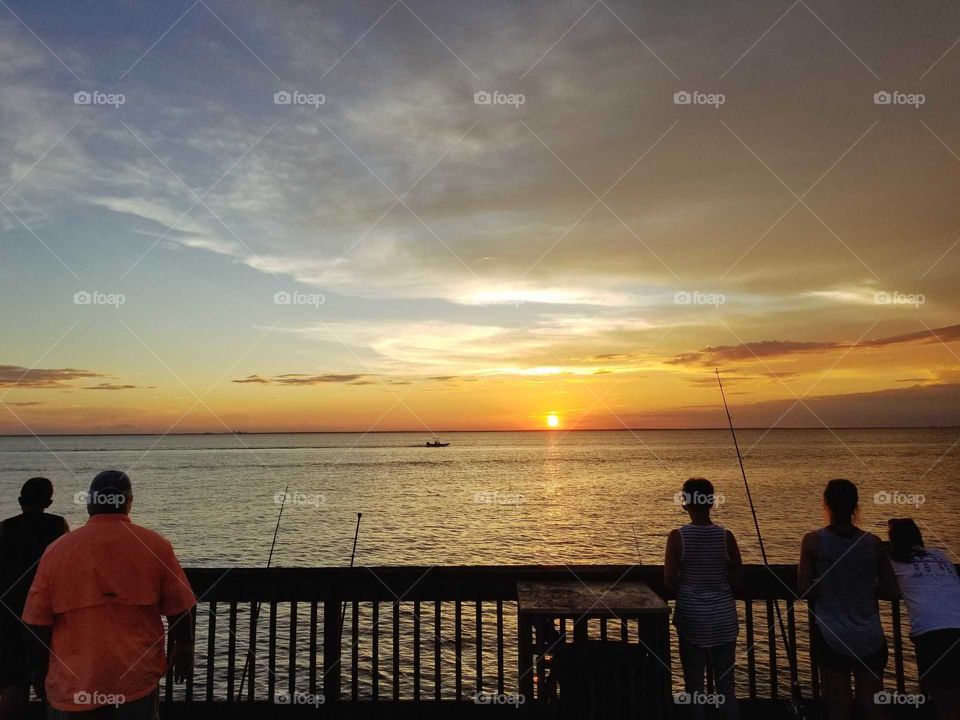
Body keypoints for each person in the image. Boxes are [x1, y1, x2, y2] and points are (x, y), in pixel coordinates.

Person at [23, 470, 195, 719]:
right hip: (135, 682)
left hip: (71, 686)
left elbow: (36, 622)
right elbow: (179, 607)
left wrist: (38, 671)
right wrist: (185, 645)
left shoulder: (57, 551)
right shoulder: (156, 545)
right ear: (128, 502)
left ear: (91, 503)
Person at [798, 479, 896, 720]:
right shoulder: (873, 543)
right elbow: (894, 590)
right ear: (855, 505)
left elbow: (803, 590)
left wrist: (823, 584)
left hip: (832, 637)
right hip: (870, 636)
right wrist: (869, 586)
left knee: (839, 707)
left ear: (826, 503)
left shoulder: (813, 541)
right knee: (873, 706)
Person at [664, 477, 742, 720]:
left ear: (686, 503)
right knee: (726, 687)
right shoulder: (726, 537)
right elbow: (738, 581)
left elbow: (669, 582)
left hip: (692, 619)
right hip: (723, 619)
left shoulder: (678, 537)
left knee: (694, 687)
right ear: (710, 502)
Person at [0, 478, 69, 717]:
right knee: (51, 679)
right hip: (47, 613)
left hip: (9, 612)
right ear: (49, 502)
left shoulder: (5, 527)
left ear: (20, 501)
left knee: (13, 682)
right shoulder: (58, 526)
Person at [887, 518, 960, 719]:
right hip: (953, 622)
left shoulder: (892, 561)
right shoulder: (940, 555)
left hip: (934, 632)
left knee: (943, 699)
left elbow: (887, 585)